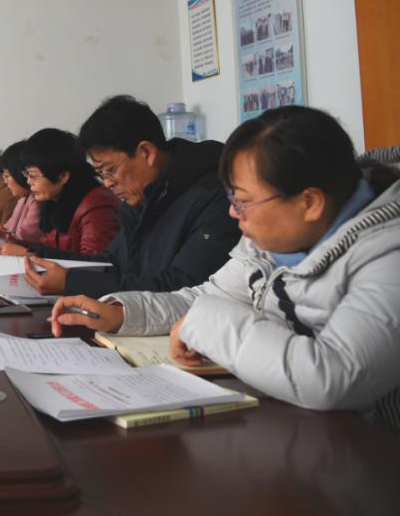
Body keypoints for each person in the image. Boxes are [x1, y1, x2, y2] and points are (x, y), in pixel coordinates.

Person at [51, 106, 400, 429]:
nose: (233, 213)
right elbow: (206, 297)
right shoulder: (271, 237)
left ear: (309, 203)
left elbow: (332, 378)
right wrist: (123, 312)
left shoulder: (388, 253)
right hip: (294, 424)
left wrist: (207, 325)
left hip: (371, 448)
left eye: (242, 201)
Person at [23, 95, 239, 296]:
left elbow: (183, 287)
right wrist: (33, 255)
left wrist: (72, 283)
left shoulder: (217, 198)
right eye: (101, 174)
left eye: (110, 170)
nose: (107, 183)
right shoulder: (143, 196)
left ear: (146, 152)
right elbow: (110, 263)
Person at [0, 128, 119, 256]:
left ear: (62, 176)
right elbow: (48, 248)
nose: (28, 181)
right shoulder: (56, 201)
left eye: (34, 176)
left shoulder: (96, 205)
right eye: (27, 175)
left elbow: (96, 264)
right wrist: (15, 243)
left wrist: (29, 253)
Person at [0, 141, 42, 245]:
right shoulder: (22, 199)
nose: (5, 183)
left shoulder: (37, 200)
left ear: (20, 174)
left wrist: (2, 234)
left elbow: (25, 239)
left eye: (7, 176)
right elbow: (6, 228)